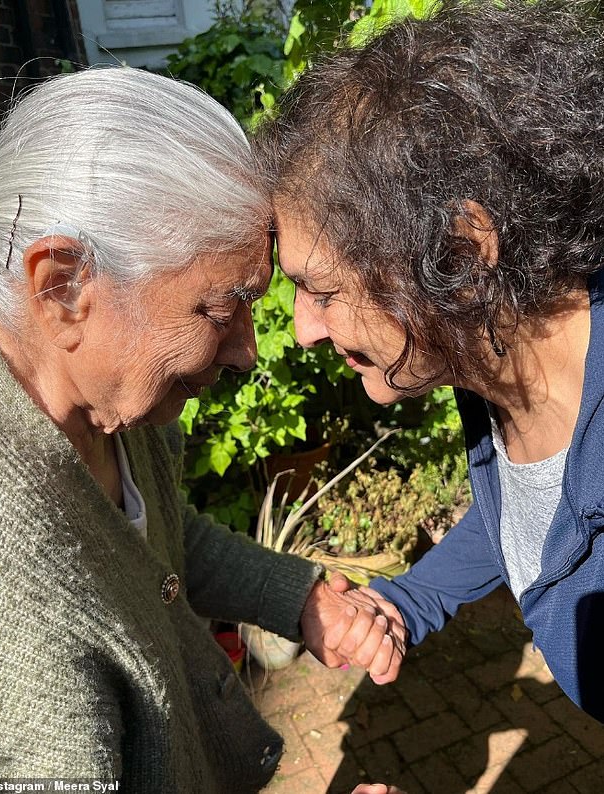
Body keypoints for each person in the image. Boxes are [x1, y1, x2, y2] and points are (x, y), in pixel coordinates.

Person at [0, 66, 399, 791]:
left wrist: (300, 598)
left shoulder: (101, 402)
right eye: (217, 308)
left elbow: (162, 540)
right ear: (62, 287)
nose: (248, 350)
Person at [253, 0, 604, 725]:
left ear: (462, 253)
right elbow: (523, 507)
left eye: (321, 290)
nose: (303, 332)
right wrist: (410, 600)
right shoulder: (489, 360)